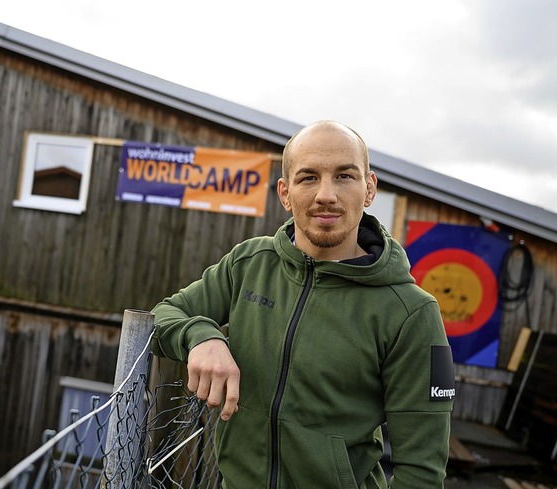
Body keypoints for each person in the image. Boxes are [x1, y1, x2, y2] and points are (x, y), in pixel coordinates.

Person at [151, 120, 455, 488]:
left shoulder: (410, 312)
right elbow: (163, 315)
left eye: (344, 176)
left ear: (369, 188)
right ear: (285, 192)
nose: (326, 194)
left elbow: (421, 472)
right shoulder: (249, 263)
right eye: (308, 177)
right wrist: (202, 337)